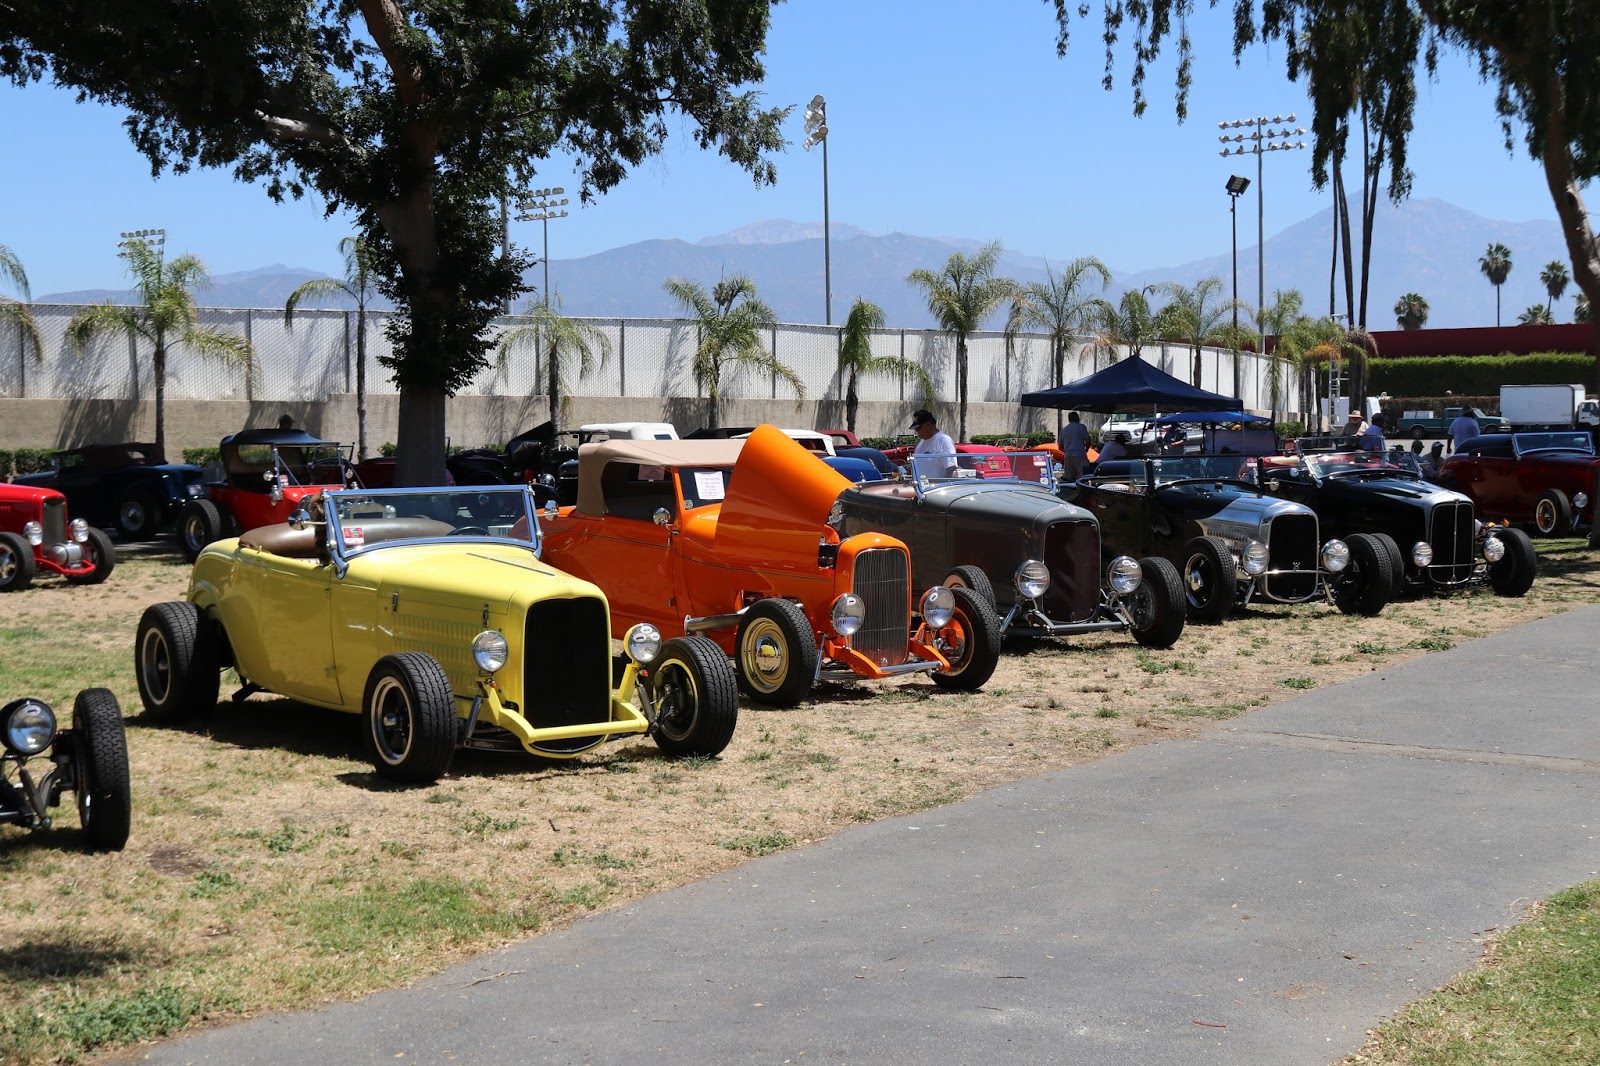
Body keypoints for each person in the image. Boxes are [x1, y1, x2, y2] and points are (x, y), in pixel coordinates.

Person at [909, 408, 957, 479]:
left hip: (937, 488)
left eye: (919, 428)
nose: (916, 431)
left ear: (929, 425)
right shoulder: (921, 443)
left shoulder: (943, 440)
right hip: (922, 488)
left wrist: (943, 486)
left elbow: (951, 469)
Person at [1058, 411, 1090, 481]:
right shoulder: (1081, 427)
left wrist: (1067, 451)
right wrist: (1086, 449)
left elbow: (1060, 447)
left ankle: (1070, 491)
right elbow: (1088, 440)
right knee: (1083, 477)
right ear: (1077, 418)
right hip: (1079, 455)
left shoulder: (1064, 430)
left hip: (1068, 456)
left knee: (1069, 478)